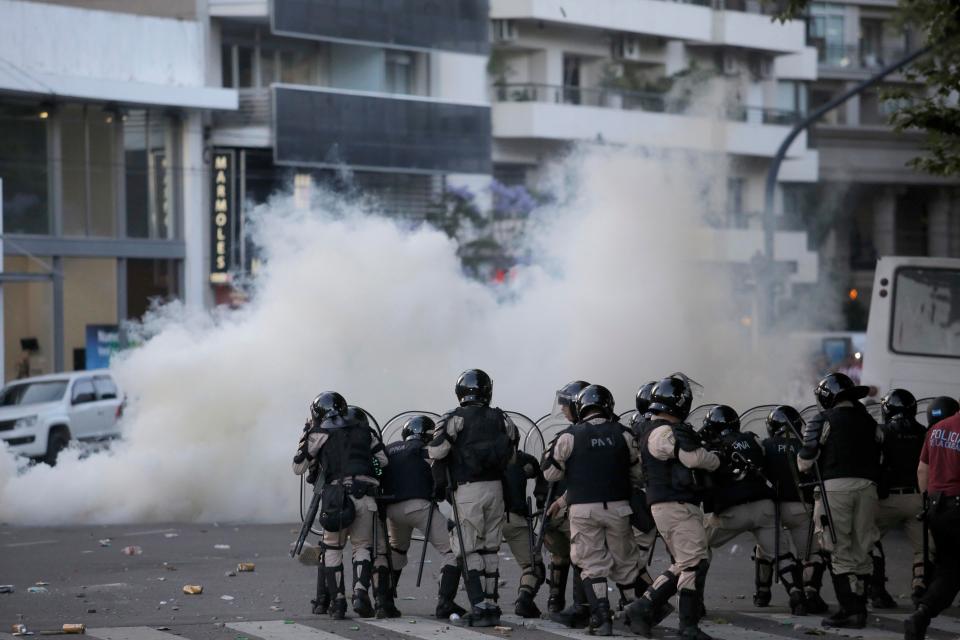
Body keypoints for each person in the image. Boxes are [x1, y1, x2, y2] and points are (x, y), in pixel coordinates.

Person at [542, 384, 646, 636]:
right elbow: (638, 473)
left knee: (591, 565)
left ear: (581, 407)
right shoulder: (624, 433)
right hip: (619, 509)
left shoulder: (569, 436)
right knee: (625, 564)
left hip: (584, 511)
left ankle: (602, 618)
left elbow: (550, 472)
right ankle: (635, 616)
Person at [626, 375, 720, 640]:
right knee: (693, 563)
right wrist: (715, 459)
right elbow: (693, 458)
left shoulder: (655, 429)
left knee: (687, 561)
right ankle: (686, 626)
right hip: (674, 504)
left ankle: (642, 607)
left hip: (673, 503)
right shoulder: (662, 431)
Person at [428, 369, 519, 627]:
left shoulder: (455, 418)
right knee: (490, 548)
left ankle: (478, 605)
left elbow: (437, 449)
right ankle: (491, 605)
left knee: (467, 549)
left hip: (468, 491)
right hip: (496, 490)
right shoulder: (502, 418)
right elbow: (511, 456)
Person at [292, 392, 393, 620]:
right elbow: (384, 461)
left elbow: (298, 467)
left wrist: (306, 436)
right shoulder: (366, 431)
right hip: (366, 496)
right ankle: (359, 594)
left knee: (333, 548)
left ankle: (338, 603)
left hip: (336, 497)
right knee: (363, 547)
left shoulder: (319, 433)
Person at [798, 372, 882, 629]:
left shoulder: (823, 419)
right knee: (862, 548)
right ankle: (861, 607)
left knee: (838, 548)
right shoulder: (870, 421)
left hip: (835, 489)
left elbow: (804, 462)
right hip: (868, 488)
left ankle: (850, 610)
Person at [699, 406, 802, 614]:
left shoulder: (710, 447)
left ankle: (694, 600)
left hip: (731, 512)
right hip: (764, 507)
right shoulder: (753, 439)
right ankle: (797, 597)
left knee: (698, 546)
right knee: (782, 555)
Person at [379, 415, 467, 619]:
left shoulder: (389, 449)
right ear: (428, 435)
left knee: (397, 551)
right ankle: (445, 603)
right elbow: (440, 478)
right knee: (453, 550)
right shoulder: (425, 451)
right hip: (418, 507)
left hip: (391, 509)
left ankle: (384, 601)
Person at [755, 405, 830, 615]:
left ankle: (762, 593)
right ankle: (811, 592)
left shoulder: (764, 445)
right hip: (801, 508)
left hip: (772, 509)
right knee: (811, 553)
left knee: (766, 549)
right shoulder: (805, 446)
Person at [905, 396, 960, 640]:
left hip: (937, 507)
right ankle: (922, 614)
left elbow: (922, 470)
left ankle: (922, 613)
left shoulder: (937, 429)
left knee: (949, 568)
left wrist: (927, 501)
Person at [870, 389, 930, 608]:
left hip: (885, 500)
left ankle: (877, 591)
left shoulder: (881, 432)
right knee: (923, 548)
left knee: (869, 539)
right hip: (916, 497)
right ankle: (920, 588)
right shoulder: (924, 432)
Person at [543, 380, 590, 628]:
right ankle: (556, 600)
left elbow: (549, 470)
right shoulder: (571, 435)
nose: (562, 410)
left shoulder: (576, 435)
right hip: (563, 504)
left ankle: (581, 606)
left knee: (581, 557)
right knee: (562, 555)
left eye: (566, 405)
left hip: (577, 505)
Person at [501, 448, 547, 618]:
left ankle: (478, 603)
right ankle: (524, 600)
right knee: (533, 566)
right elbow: (539, 471)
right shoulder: (521, 459)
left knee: (477, 560)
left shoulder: (471, 454)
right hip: (514, 518)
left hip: (485, 517)